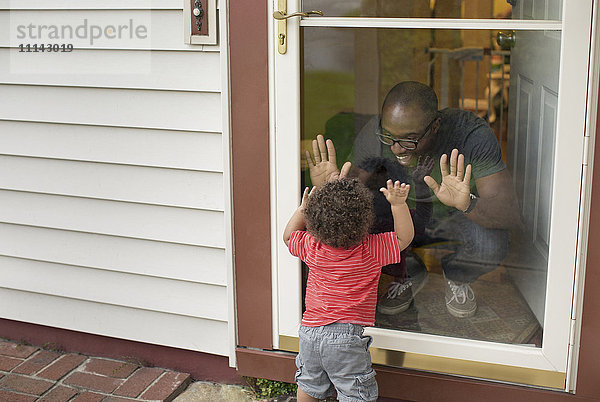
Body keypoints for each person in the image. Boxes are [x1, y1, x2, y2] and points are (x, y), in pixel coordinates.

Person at [307, 81, 521, 319]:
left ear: (435, 126)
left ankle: (458, 276)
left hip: (456, 218)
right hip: (402, 217)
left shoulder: (472, 135)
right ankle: (407, 271)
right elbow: (349, 198)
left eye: (409, 139)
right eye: (390, 138)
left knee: (492, 245)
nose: (397, 149)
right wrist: (330, 188)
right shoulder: (377, 131)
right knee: (351, 228)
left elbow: (507, 213)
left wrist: (466, 202)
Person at [283, 174, 414, 402]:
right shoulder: (370, 250)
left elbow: (288, 238)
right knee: (354, 393)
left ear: (314, 222)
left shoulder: (312, 246)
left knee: (309, 384)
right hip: (345, 338)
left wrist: (303, 209)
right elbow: (404, 237)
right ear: (365, 220)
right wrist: (398, 205)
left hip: (309, 333)